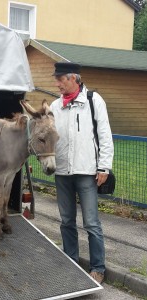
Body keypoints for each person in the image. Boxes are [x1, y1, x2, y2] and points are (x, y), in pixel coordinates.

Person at [50, 62, 114, 284]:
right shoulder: (55, 106)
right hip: (62, 172)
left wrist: (104, 166)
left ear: (73, 79)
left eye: (60, 79)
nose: (57, 83)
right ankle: (71, 260)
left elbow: (105, 135)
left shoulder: (93, 101)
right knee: (66, 220)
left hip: (87, 171)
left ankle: (98, 267)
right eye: (56, 79)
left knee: (91, 223)